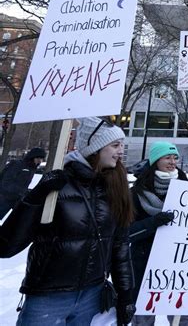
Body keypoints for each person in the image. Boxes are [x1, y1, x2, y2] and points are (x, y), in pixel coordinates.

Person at [0, 117, 136, 326]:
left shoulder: (115, 188)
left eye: (122, 146)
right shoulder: (57, 186)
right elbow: (6, 246)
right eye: (115, 145)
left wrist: (126, 293)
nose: (121, 151)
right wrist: (35, 197)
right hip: (48, 298)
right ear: (95, 148)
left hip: (92, 296)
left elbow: (119, 245)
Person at [130, 141, 188, 326]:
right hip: (144, 263)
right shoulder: (136, 193)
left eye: (175, 158)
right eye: (167, 157)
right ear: (155, 160)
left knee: (182, 317)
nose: (172, 161)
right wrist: (152, 223)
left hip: (177, 264)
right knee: (144, 317)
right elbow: (126, 234)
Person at [0, 147, 46, 220]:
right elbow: (6, 182)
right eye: (38, 158)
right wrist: (21, 191)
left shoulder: (32, 169)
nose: (40, 161)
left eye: (41, 159)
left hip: (17, 199)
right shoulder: (17, 164)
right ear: (32, 157)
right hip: (5, 198)